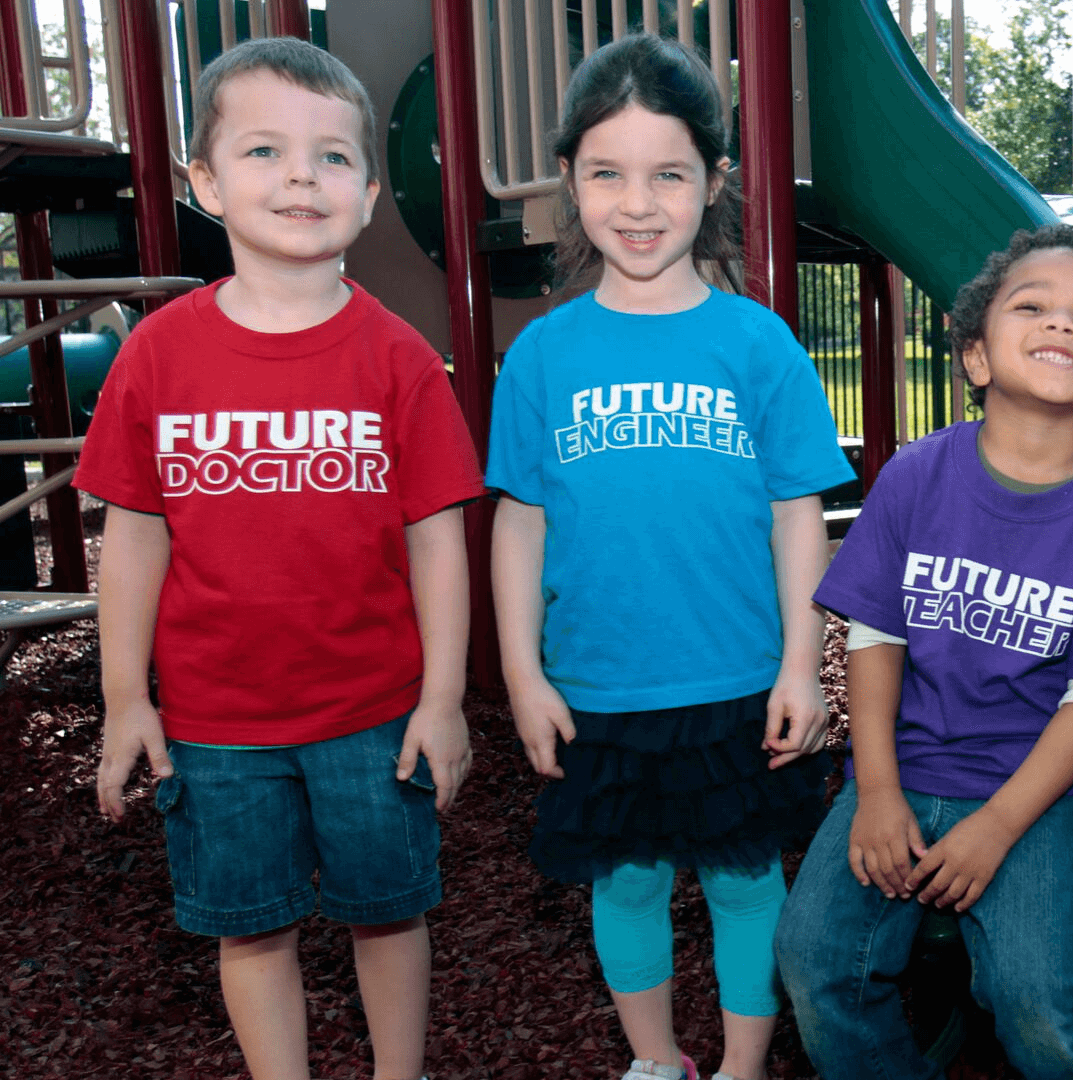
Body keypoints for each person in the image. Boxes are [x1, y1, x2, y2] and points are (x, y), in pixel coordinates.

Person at [80, 36, 483, 1080]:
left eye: (332, 156)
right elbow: (132, 535)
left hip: (374, 713)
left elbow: (438, 540)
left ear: (368, 190)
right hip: (217, 725)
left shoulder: (398, 356)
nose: (302, 175)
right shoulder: (158, 355)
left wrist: (443, 699)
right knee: (249, 928)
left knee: (388, 915)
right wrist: (127, 698)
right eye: (264, 151)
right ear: (204, 182)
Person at [484, 33, 852, 1080]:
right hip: (600, 685)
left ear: (714, 181)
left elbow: (798, 514)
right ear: (569, 182)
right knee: (627, 881)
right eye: (607, 173)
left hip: (737, 678)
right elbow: (519, 522)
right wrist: (520, 675)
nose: (637, 203)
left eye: (668, 175)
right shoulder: (544, 356)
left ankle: (739, 1066)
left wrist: (799, 664)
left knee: (743, 880)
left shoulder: (758, 344)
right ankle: (654, 1063)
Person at [774, 225, 1073, 1080]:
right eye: (1032, 307)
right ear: (977, 358)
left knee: (1039, 998)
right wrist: (874, 791)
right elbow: (874, 638)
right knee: (814, 964)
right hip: (898, 770)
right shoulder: (915, 475)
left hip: (1034, 793)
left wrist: (998, 825)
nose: (1061, 324)